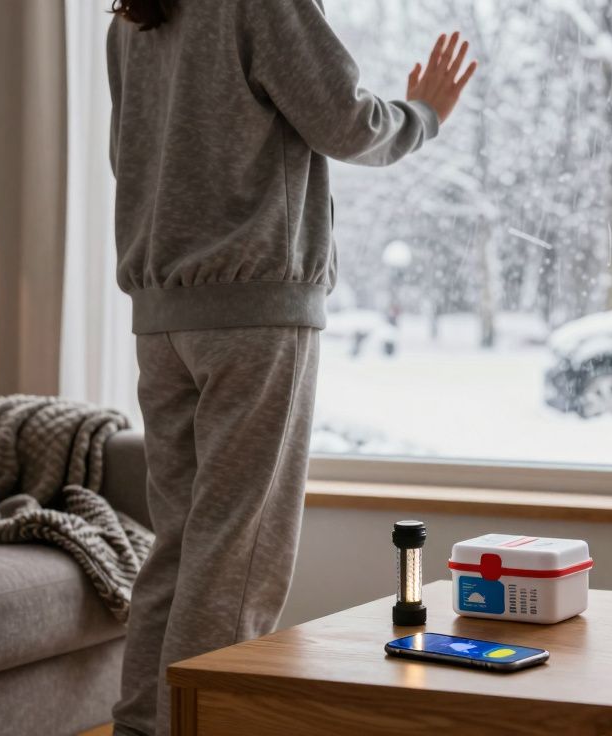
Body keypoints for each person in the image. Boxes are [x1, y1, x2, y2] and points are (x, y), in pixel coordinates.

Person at [105, 1, 475, 733]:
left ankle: (141, 726)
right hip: (254, 308)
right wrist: (424, 113)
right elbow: (342, 122)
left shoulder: (132, 18)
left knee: (180, 547)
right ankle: (204, 723)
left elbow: (130, 158)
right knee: (238, 555)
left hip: (162, 315)